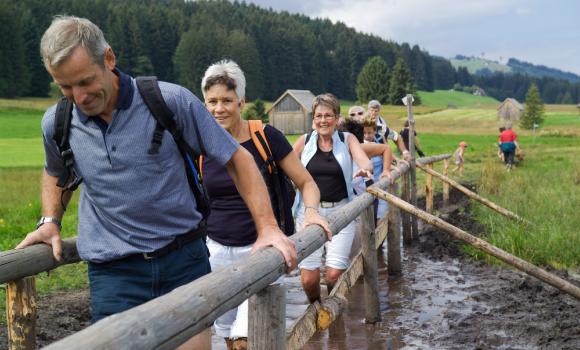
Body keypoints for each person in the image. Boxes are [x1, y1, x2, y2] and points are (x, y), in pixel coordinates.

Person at [15, 16, 296, 350]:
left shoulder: (169, 102)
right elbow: (56, 170)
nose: (79, 97)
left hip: (184, 262)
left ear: (109, 58)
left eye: (85, 81)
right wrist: (50, 221)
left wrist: (267, 228)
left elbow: (237, 158)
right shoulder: (58, 122)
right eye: (65, 87)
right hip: (114, 274)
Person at [200, 60, 331, 350]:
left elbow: (306, 182)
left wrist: (310, 212)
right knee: (226, 334)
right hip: (215, 251)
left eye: (226, 101)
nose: (219, 108)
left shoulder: (266, 138)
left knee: (247, 338)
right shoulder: (199, 145)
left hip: (261, 250)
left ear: (241, 102)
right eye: (212, 101)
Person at [293, 93, 373, 303]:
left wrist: (365, 169)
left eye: (328, 115)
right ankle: (316, 309)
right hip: (308, 213)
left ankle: (333, 310)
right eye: (318, 116)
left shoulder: (348, 140)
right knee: (308, 279)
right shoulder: (305, 141)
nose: (323, 120)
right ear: (313, 120)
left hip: (340, 212)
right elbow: (286, 165)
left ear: (337, 119)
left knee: (333, 274)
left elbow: (364, 161)